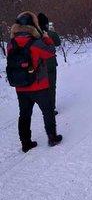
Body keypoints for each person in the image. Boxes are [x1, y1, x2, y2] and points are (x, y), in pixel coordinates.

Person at [6, 11, 62, 152]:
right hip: (39, 85)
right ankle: (52, 137)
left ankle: (25, 143)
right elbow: (51, 52)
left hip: (21, 86)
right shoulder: (36, 43)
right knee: (48, 111)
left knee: (24, 114)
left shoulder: (10, 44)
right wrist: (45, 37)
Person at [38, 13, 61, 116]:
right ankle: (51, 108)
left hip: (39, 65)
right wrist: (52, 31)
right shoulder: (50, 33)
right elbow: (58, 42)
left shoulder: (34, 35)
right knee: (51, 86)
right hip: (50, 63)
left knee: (42, 87)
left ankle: (45, 107)